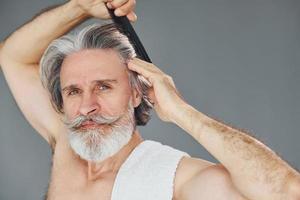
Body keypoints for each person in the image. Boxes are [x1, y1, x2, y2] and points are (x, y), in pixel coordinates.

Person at [0, 0, 299, 199]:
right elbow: (12, 57)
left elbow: (287, 192)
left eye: (104, 87)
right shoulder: (66, 144)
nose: (87, 106)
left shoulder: (174, 179)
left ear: (136, 93)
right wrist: (80, 6)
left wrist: (182, 112)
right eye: (73, 91)